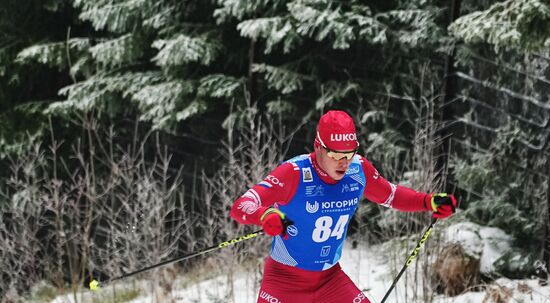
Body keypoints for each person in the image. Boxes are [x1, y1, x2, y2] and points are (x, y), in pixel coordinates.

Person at [230, 110, 457, 303]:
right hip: (284, 281)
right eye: (336, 154)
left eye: (349, 154)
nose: (344, 162)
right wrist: (265, 214)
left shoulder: (358, 170)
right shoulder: (294, 173)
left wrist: (429, 201)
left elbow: (391, 195)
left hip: (330, 280)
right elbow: (241, 206)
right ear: (318, 147)